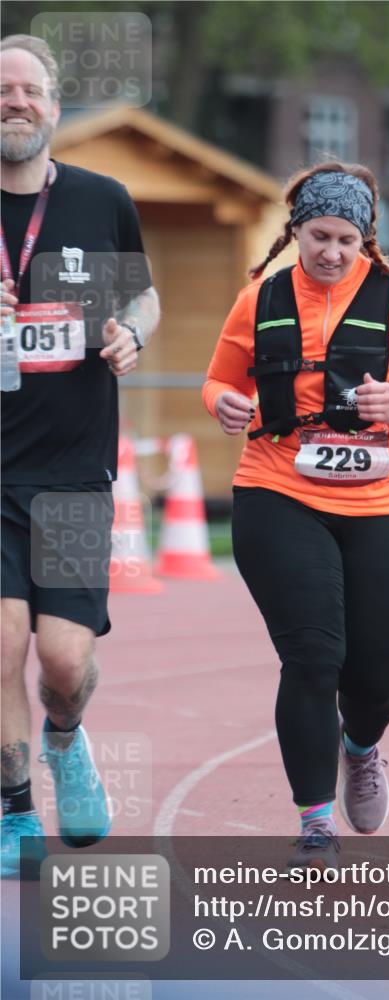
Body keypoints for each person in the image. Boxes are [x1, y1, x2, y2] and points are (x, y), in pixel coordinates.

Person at [203, 161, 389, 870]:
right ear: (295, 232)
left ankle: (360, 748)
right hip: (278, 491)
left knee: (374, 676)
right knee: (312, 658)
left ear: (365, 242)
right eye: (317, 236)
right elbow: (219, 381)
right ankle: (313, 822)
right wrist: (221, 404)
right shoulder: (259, 298)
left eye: (344, 240)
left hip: (385, 501)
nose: (329, 252)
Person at [1, 35, 160, 877]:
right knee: (0, 645)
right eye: (1, 89)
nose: (15, 101)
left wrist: (132, 329)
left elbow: (144, 290)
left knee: (63, 660)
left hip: (71, 473)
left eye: (29, 89)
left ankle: (65, 737)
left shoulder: (102, 199)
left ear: (56, 107)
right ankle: (14, 810)